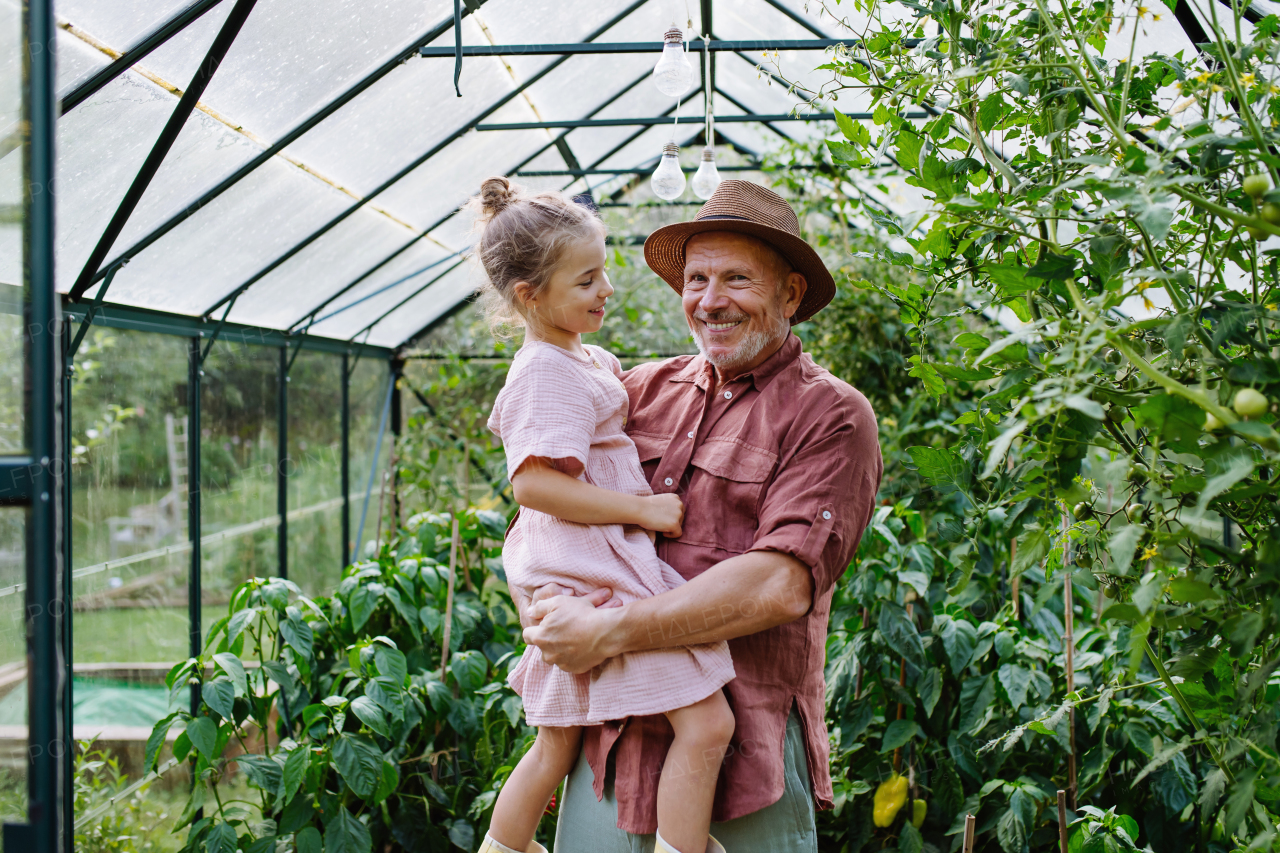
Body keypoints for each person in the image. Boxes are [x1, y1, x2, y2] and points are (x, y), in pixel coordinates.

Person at [517, 180, 883, 853]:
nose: (710, 300)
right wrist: (543, 609)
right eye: (697, 278)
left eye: (737, 278)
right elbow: (549, 508)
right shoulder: (637, 390)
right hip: (612, 743)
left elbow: (778, 584)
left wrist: (606, 630)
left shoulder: (831, 415)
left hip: (741, 754)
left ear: (791, 294)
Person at [471, 176, 738, 853]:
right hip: (593, 572)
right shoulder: (543, 371)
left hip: (579, 569)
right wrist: (641, 508)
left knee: (555, 744)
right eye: (586, 280)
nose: (606, 289)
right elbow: (533, 484)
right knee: (706, 725)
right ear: (530, 296)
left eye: (603, 272)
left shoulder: (579, 357)